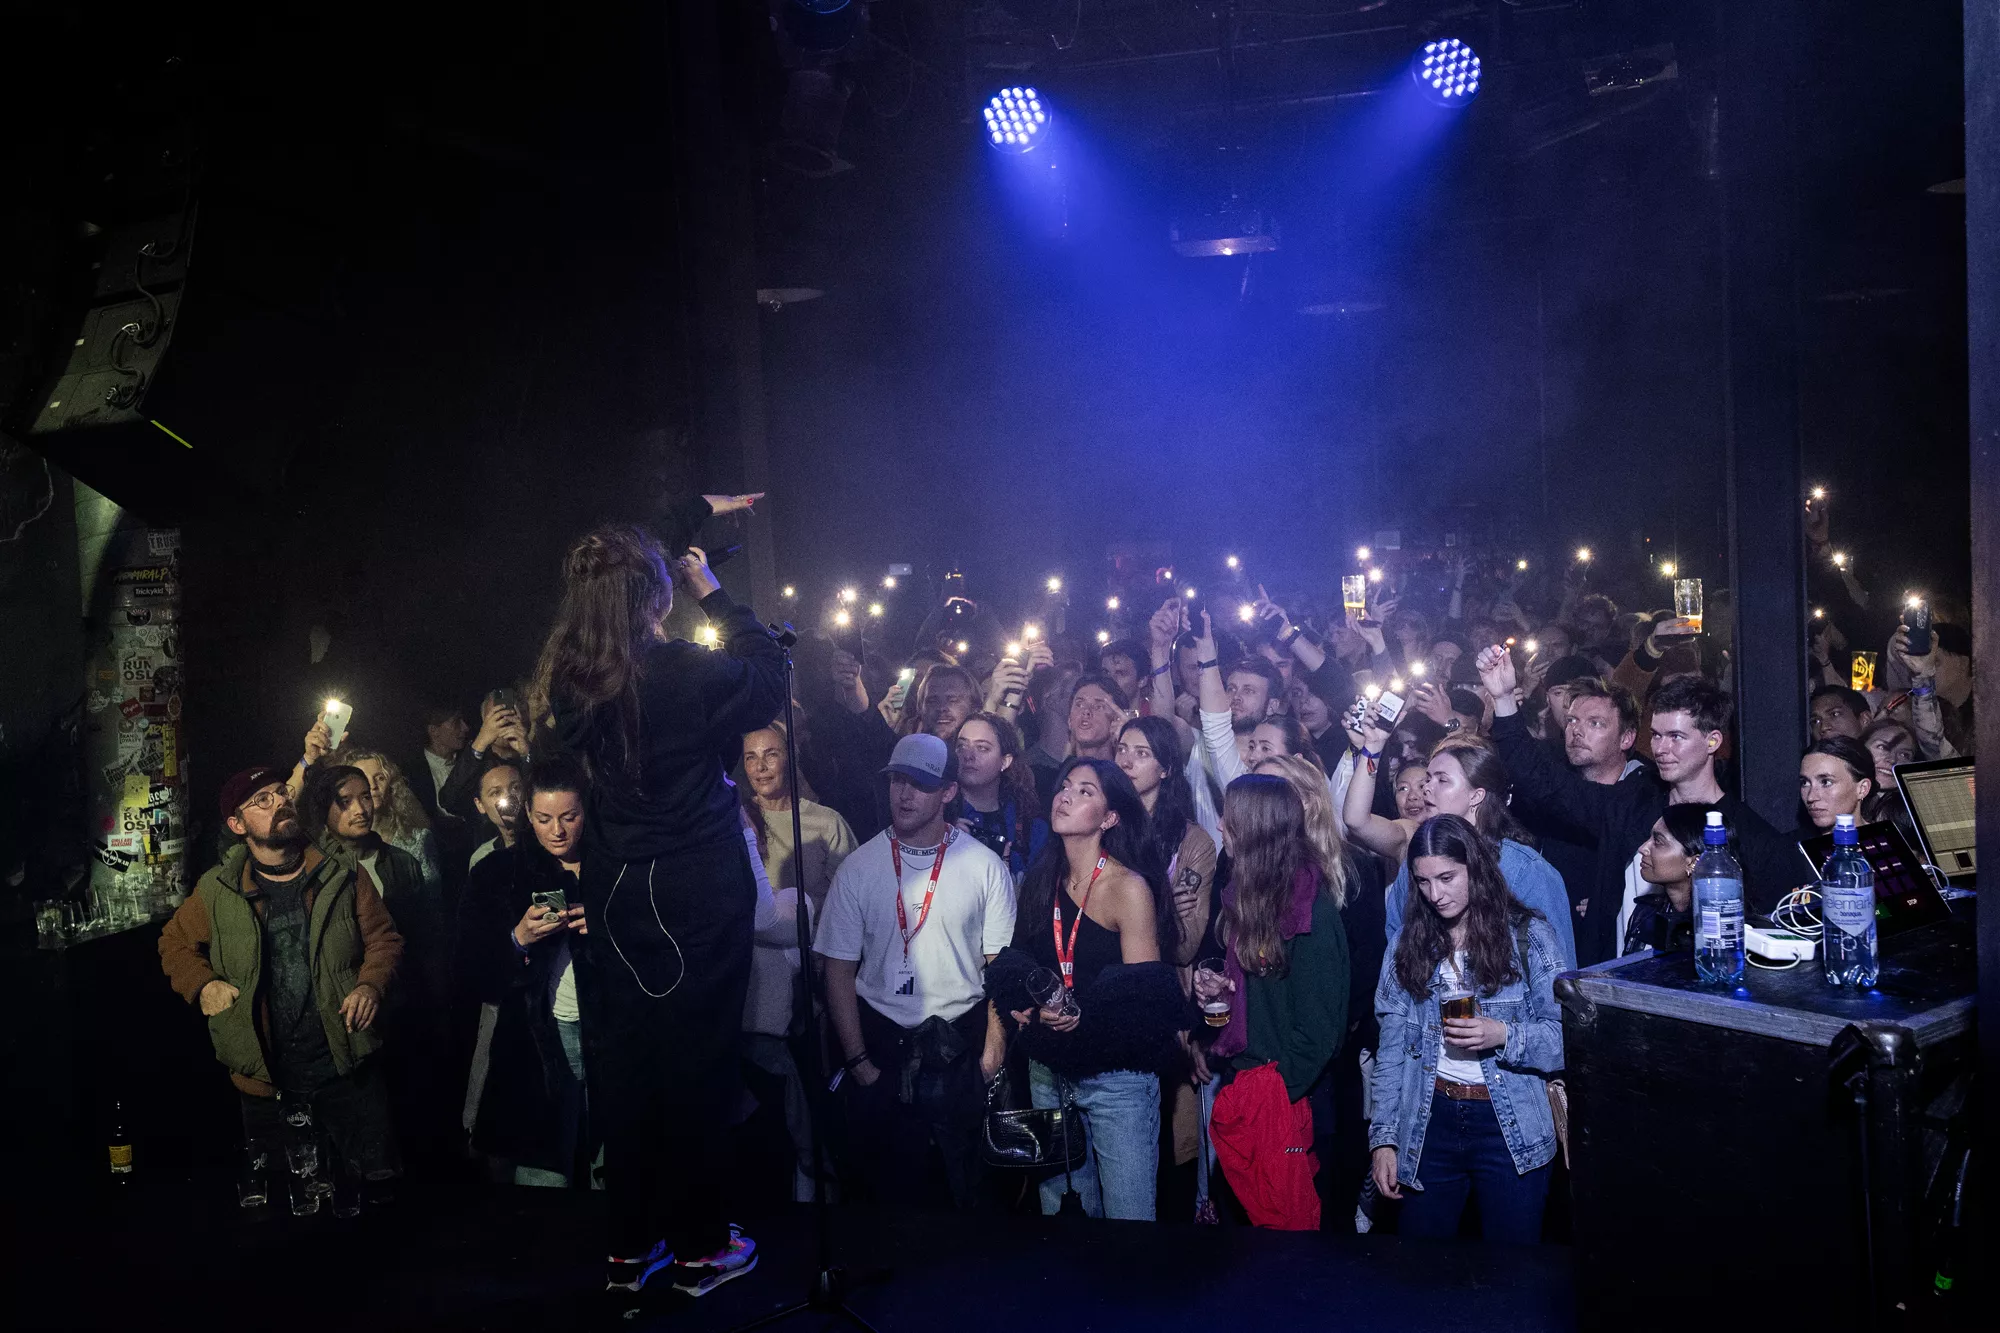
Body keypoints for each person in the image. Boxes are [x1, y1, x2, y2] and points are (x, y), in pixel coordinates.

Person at [536, 512, 781, 1305]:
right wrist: (713, 591)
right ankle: (701, 1248)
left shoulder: (572, 678)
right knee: (698, 1066)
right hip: (691, 887)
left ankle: (629, 1245)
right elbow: (770, 675)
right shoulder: (680, 669)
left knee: (628, 1065)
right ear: (656, 595)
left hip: (615, 888)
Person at [1480, 646, 1813, 967]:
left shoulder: (1748, 834)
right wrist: (1504, 699)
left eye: (1676, 737)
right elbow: (1545, 783)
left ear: (1712, 741)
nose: (1661, 749)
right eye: (1655, 735)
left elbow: (1786, 935)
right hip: (1614, 985)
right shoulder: (1632, 803)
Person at [158, 767, 405, 1193]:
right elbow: (173, 943)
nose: (279, 803)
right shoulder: (218, 889)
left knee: (372, 1192)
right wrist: (203, 985)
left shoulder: (341, 872)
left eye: (281, 793)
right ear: (238, 825)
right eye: (262, 801)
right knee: (283, 1202)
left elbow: (385, 939)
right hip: (266, 1080)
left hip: (346, 1068)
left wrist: (370, 985)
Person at [815, 733, 1015, 1210]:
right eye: (897, 781)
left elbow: (1002, 971)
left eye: (920, 784)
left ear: (948, 792)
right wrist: (860, 1063)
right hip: (882, 1044)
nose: (904, 794)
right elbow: (837, 970)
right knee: (883, 1206)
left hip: (960, 1043)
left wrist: (990, 1059)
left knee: (964, 1201)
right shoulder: (858, 868)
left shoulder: (984, 866)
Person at [997, 757, 1179, 1220]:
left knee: (1128, 1224)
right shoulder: (1042, 878)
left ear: (1110, 817)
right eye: (1065, 786)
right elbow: (1019, 960)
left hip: (1116, 1079)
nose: (1066, 796)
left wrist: (1084, 1014)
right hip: (1050, 1072)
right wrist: (1028, 1006)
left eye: (1085, 791)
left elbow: (1144, 997)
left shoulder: (1127, 887)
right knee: (1063, 1221)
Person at [1369, 815, 1563, 1243]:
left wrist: (1504, 1035)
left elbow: (1564, 1039)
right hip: (1428, 1121)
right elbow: (1391, 1051)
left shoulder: (1529, 937)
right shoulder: (1407, 944)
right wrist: (1383, 1139)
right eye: (1423, 882)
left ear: (1475, 868)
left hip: (1509, 1124)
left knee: (1510, 1270)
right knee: (1423, 1270)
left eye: (1447, 877)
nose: (1435, 894)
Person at [1191, 774, 1350, 1230]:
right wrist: (1220, 987)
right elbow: (1261, 997)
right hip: (1250, 1091)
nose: (1220, 826)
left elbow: (1319, 1034)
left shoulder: (1309, 910)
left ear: (1256, 829)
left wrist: (1268, 1099)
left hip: (1289, 1102)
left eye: (1230, 818)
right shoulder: (1247, 896)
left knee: (1291, 1250)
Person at [1343, 725, 1578, 969]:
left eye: (1442, 780)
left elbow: (1559, 971)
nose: (1426, 788)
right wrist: (1371, 748)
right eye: (1428, 779)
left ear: (1476, 796)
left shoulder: (1526, 870)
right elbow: (1398, 952)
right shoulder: (1418, 863)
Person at [467, 758, 597, 1189]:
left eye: (568, 817)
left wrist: (609, 925)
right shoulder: (498, 874)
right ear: (527, 813)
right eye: (543, 819)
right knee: (545, 1172)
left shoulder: (616, 867)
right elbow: (474, 973)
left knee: (612, 1163)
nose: (556, 831)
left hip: (615, 1034)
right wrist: (518, 939)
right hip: (538, 1042)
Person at [741, 722, 857, 904]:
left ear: (790, 758)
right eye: (751, 757)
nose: (760, 767)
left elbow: (852, 895)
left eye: (771, 754)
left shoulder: (827, 822)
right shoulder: (738, 820)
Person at [950, 712, 1048, 881]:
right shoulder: (937, 817)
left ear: (1005, 761)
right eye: (961, 746)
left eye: (982, 748)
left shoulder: (1030, 828)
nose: (968, 755)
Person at [1622, 804, 1719, 956]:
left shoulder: (1720, 926)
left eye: (1658, 841)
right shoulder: (1646, 913)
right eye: (1649, 838)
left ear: (1694, 862)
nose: (1643, 848)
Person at [1030, 673, 1130, 813]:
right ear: (1070, 721)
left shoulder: (1128, 781)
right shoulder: (1046, 781)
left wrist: (1128, 740)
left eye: (1099, 706)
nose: (1086, 711)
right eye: (1079, 704)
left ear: (1116, 720)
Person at [1799, 736, 1876, 833]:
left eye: (1826, 782)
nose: (1810, 797)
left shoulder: (1888, 839)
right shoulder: (1789, 842)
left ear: (1862, 789)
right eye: (1805, 783)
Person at [469, 759, 525, 870]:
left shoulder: (550, 842)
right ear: (480, 805)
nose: (508, 797)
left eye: (516, 788)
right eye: (496, 793)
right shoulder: (482, 858)